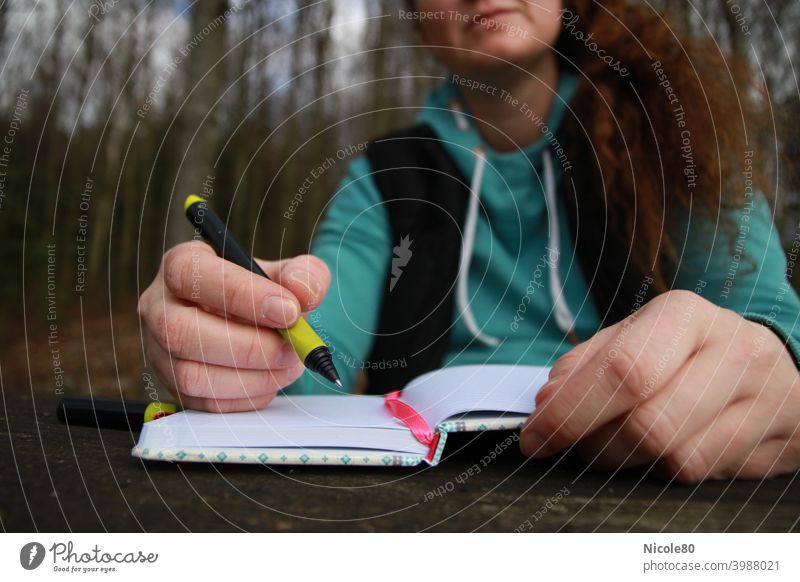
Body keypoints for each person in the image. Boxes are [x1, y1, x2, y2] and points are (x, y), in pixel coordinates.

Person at [137, 0, 800, 482]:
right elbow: (313, 363)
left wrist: (776, 373)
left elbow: (768, 319)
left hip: (640, 499)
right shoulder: (382, 177)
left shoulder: (667, 133)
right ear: (416, 17)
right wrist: (243, 347)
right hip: (427, 500)